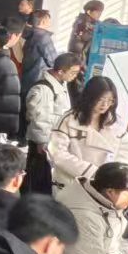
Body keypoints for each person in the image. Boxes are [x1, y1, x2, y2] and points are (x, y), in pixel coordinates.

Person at [48, 76, 128, 190]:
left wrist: (114, 175)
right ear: (89, 97)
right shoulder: (69, 120)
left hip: (103, 186)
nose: (105, 105)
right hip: (70, 183)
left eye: (110, 100)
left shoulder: (115, 124)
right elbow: (57, 153)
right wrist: (91, 172)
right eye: (101, 99)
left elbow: (125, 153)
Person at [24, 51, 82, 188]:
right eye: (73, 73)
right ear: (60, 71)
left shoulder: (60, 83)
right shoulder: (44, 89)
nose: (75, 76)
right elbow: (40, 119)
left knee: (43, 178)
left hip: (52, 141)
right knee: (37, 178)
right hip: (42, 143)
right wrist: (42, 142)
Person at [17, 9, 59, 98]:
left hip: (26, 77)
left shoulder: (29, 34)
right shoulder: (43, 37)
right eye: (49, 19)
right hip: (38, 78)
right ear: (43, 21)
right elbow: (53, 61)